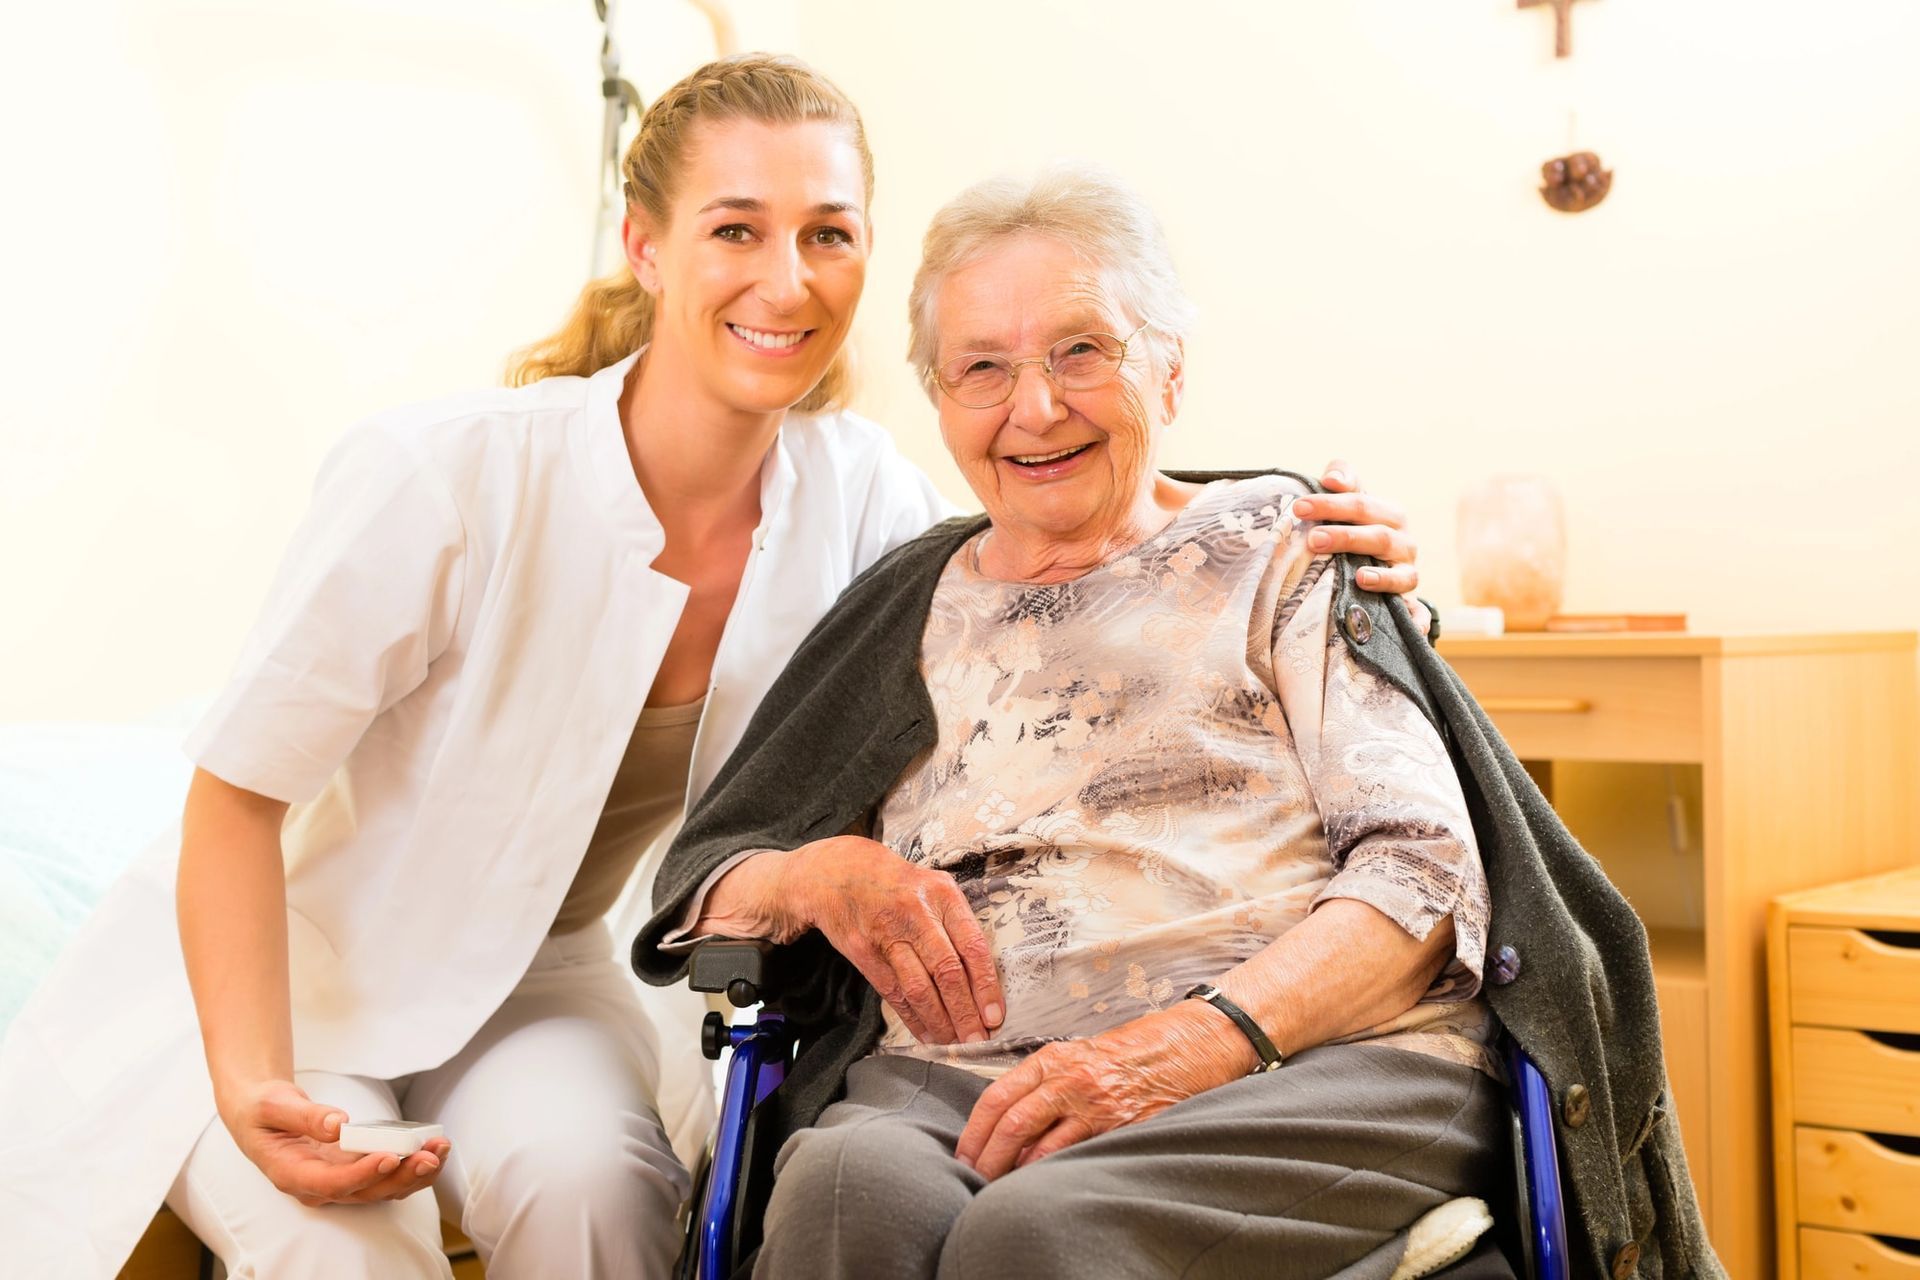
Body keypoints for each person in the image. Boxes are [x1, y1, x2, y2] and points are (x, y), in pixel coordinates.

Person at [0, 56, 1428, 1280]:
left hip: (535, 984)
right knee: (342, 1254)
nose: (786, 280)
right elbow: (235, 799)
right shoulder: (445, 474)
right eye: (736, 228)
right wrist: (250, 1079)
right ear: (643, 244)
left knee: (608, 1197)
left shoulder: (857, 489)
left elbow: (1057, 519)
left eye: (829, 233)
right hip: (280, 985)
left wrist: (1287, 519)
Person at [635, 164, 1720, 1280]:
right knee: (837, 1195)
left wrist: (1190, 1043)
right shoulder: (904, 600)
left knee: (1038, 1236)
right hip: (958, 1071)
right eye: (983, 369)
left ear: (1171, 368)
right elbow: (713, 872)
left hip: (1314, 1063)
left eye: (1082, 351)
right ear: (940, 400)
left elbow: (1425, 871)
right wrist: (816, 874)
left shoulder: (1288, 549)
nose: (1037, 406)